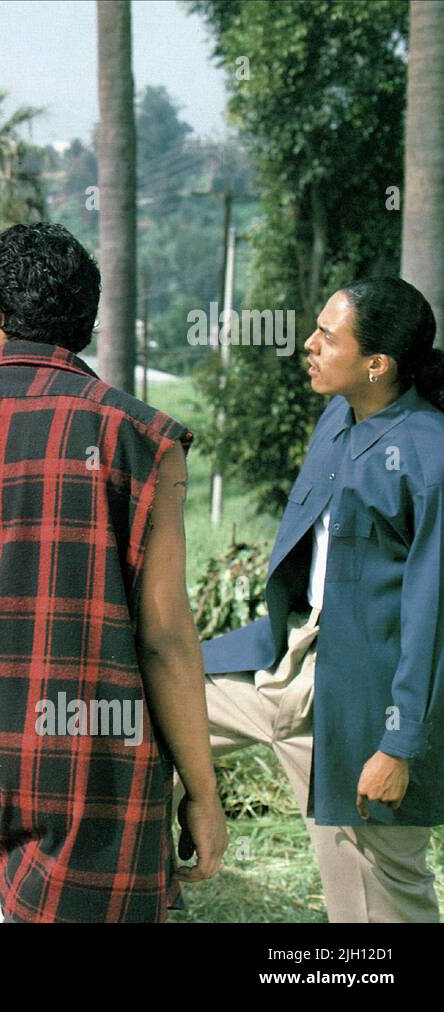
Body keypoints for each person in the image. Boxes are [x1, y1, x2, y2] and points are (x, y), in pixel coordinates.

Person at [0, 222, 227, 922]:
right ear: (80, 324)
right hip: (96, 776)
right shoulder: (141, 439)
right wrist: (203, 793)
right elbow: (165, 638)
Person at [182, 277, 444, 922]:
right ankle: (148, 886)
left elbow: (433, 617)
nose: (309, 344)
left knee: (374, 898)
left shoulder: (429, 454)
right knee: (147, 715)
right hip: (286, 659)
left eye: (327, 336)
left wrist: (399, 745)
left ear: (377, 364)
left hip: (368, 700)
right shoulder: (336, 419)